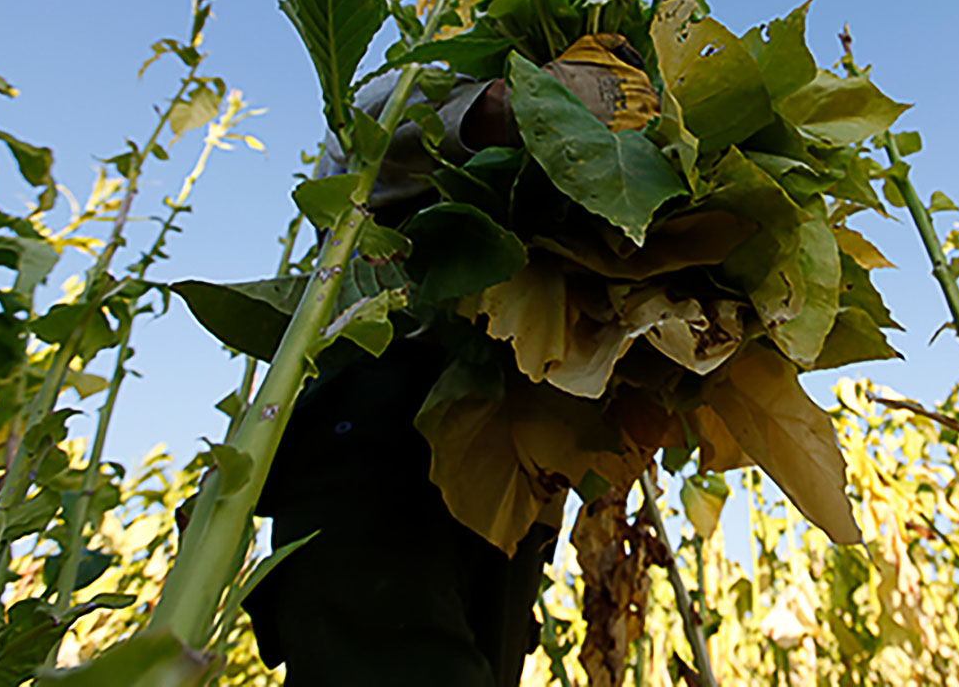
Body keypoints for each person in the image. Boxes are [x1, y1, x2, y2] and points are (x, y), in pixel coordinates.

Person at [243, 37, 658, 687]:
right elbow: (371, 127)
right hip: (373, 451)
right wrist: (519, 104)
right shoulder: (420, 91)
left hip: (509, 496)